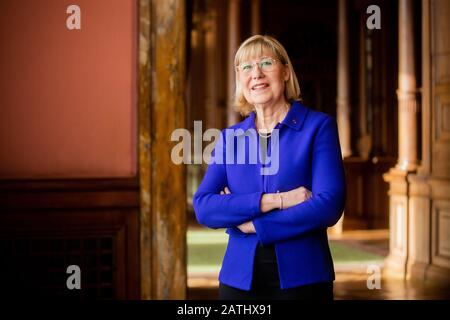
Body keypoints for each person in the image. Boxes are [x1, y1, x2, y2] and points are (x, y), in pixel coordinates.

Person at [193, 35, 346, 300]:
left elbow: (328, 206)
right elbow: (204, 207)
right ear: (239, 79)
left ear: (286, 72)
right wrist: (279, 200)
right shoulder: (231, 138)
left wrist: (253, 224)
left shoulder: (319, 127)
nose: (257, 74)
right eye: (246, 67)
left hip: (304, 277)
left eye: (266, 62)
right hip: (238, 281)